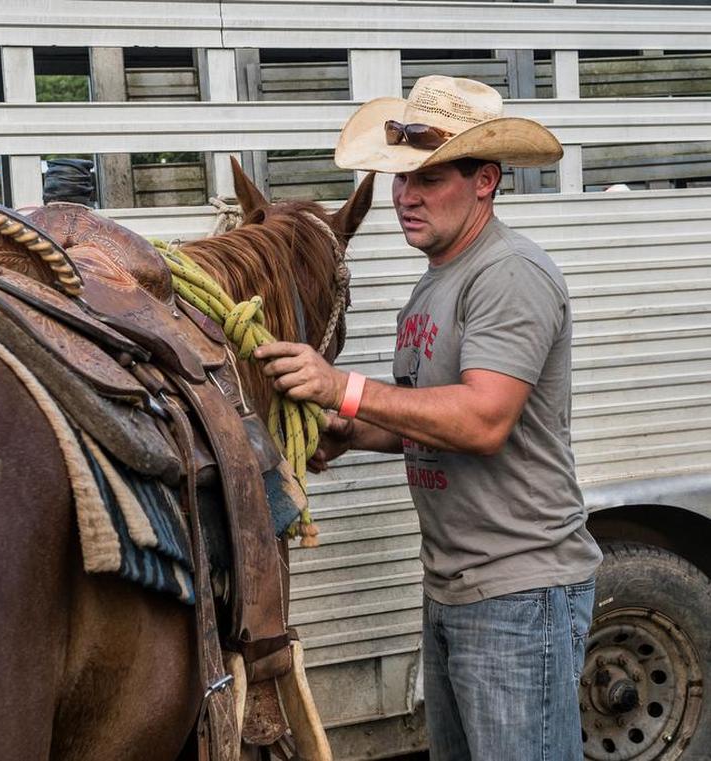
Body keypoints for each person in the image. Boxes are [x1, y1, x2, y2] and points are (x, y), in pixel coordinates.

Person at [254, 75, 603, 760]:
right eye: (399, 178)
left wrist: (343, 388)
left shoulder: (508, 273)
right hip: (455, 587)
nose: (406, 196)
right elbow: (429, 420)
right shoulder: (435, 282)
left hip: (518, 591)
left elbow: (481, 420)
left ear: (486, 182)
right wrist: (350, 432)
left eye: (429, 177)